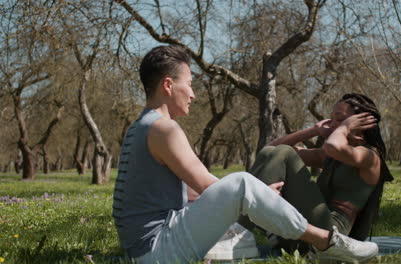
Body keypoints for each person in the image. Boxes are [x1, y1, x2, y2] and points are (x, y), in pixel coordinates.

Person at [112, 45, 379, 264]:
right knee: (241, 183)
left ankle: (253, 233)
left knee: (242, 187)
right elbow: (207, 186)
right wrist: (253, 199)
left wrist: (257, 199)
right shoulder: (164, 129)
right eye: (190, 84)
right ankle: (327, 242)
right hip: (157, 250)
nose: (193, 94)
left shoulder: (142, 126)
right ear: (168, 85)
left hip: (143, 248)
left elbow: (192, 191)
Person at [239, 93, 394, 256]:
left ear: (360, 123)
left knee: (284, 152)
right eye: (332, 119)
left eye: (340, 119)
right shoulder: (331, 156)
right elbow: (269, 150)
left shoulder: (370, 157)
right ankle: (241, 230)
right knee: (271, 152)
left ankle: (241, 231)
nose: (333, 124)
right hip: (308, 229)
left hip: (332, 238)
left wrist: (344, 128)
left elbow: (333, 146)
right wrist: (313, 130)